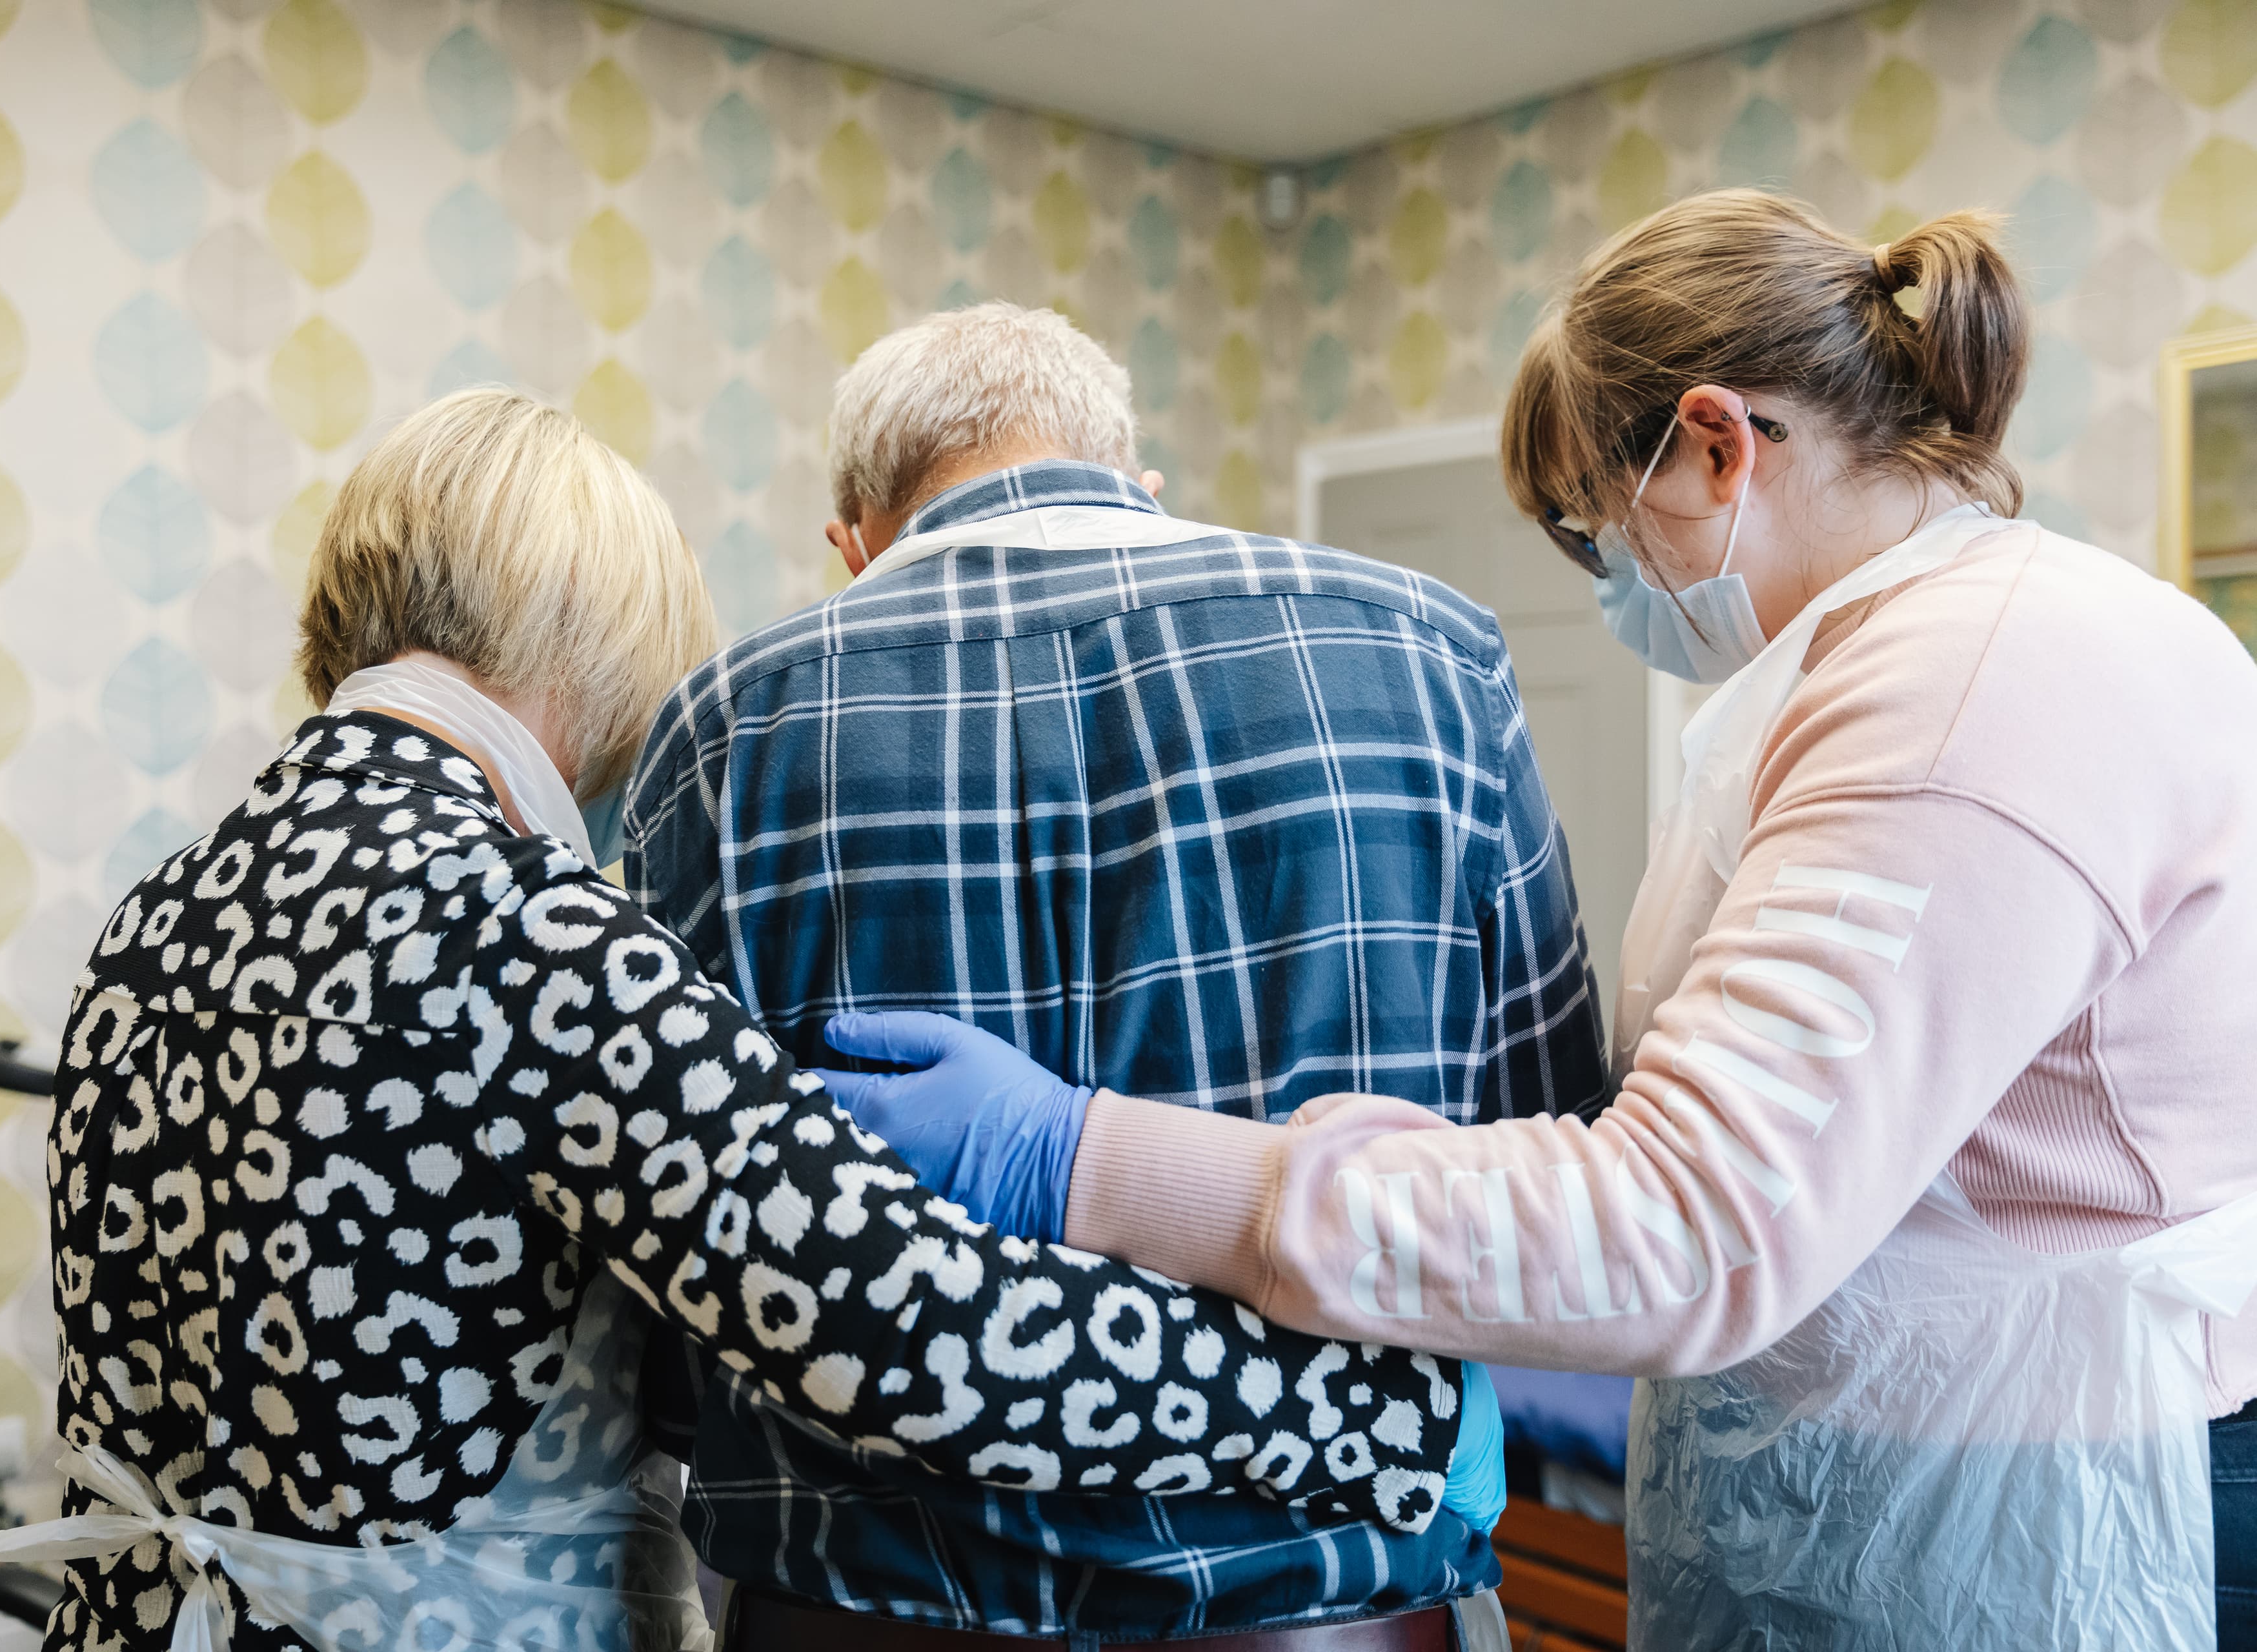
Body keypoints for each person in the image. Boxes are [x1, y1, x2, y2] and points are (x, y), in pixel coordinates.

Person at [811, 196, 2257, 1651]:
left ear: (1715, 443)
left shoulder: (1983, 691)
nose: (1609, 589)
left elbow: (1679, 1218)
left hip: (2076, 1497)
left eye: (1591, 532)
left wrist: (1084, 1155)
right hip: (1899, 1460)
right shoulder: (1868, 671)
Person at [0, 389, 1482, 1652]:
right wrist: (1368, 1401)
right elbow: (910, 1332)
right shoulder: (524, 930)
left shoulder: (162, 910)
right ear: (594, 647)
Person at [623, 301, 1606, 1647]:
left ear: (855, 541)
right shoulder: (1438, 657)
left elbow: (670, 1238)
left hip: (865, 1598)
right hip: (1336, 1592)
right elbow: (1548, 1149)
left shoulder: (725, 732)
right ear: (1145, 490)